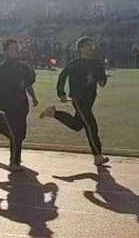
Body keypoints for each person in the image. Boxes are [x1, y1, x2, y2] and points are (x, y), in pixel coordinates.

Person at [40, 36, 109, 167]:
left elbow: (102, 79)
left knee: (77, 125)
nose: (91, 47)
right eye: (88, 45)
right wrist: (61, 93)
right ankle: (98, 156)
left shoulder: (97, 63)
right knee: (91, 126)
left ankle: (54, 113)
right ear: (81, 48)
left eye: (92, 45)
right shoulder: (74, 64)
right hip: (79, 98)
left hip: (90, 98)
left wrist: (102, 80)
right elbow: (62, 76)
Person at [0, 39, 38, 172]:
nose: (16, 50)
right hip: (6, 107)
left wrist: (33, 97)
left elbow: (27, 84)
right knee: (16, 135)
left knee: (21, 135)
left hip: (22, 106)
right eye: (13, 48)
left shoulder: (23, 68)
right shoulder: (0, 70)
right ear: (6, 52)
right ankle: (14, 162)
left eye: (17, 48)